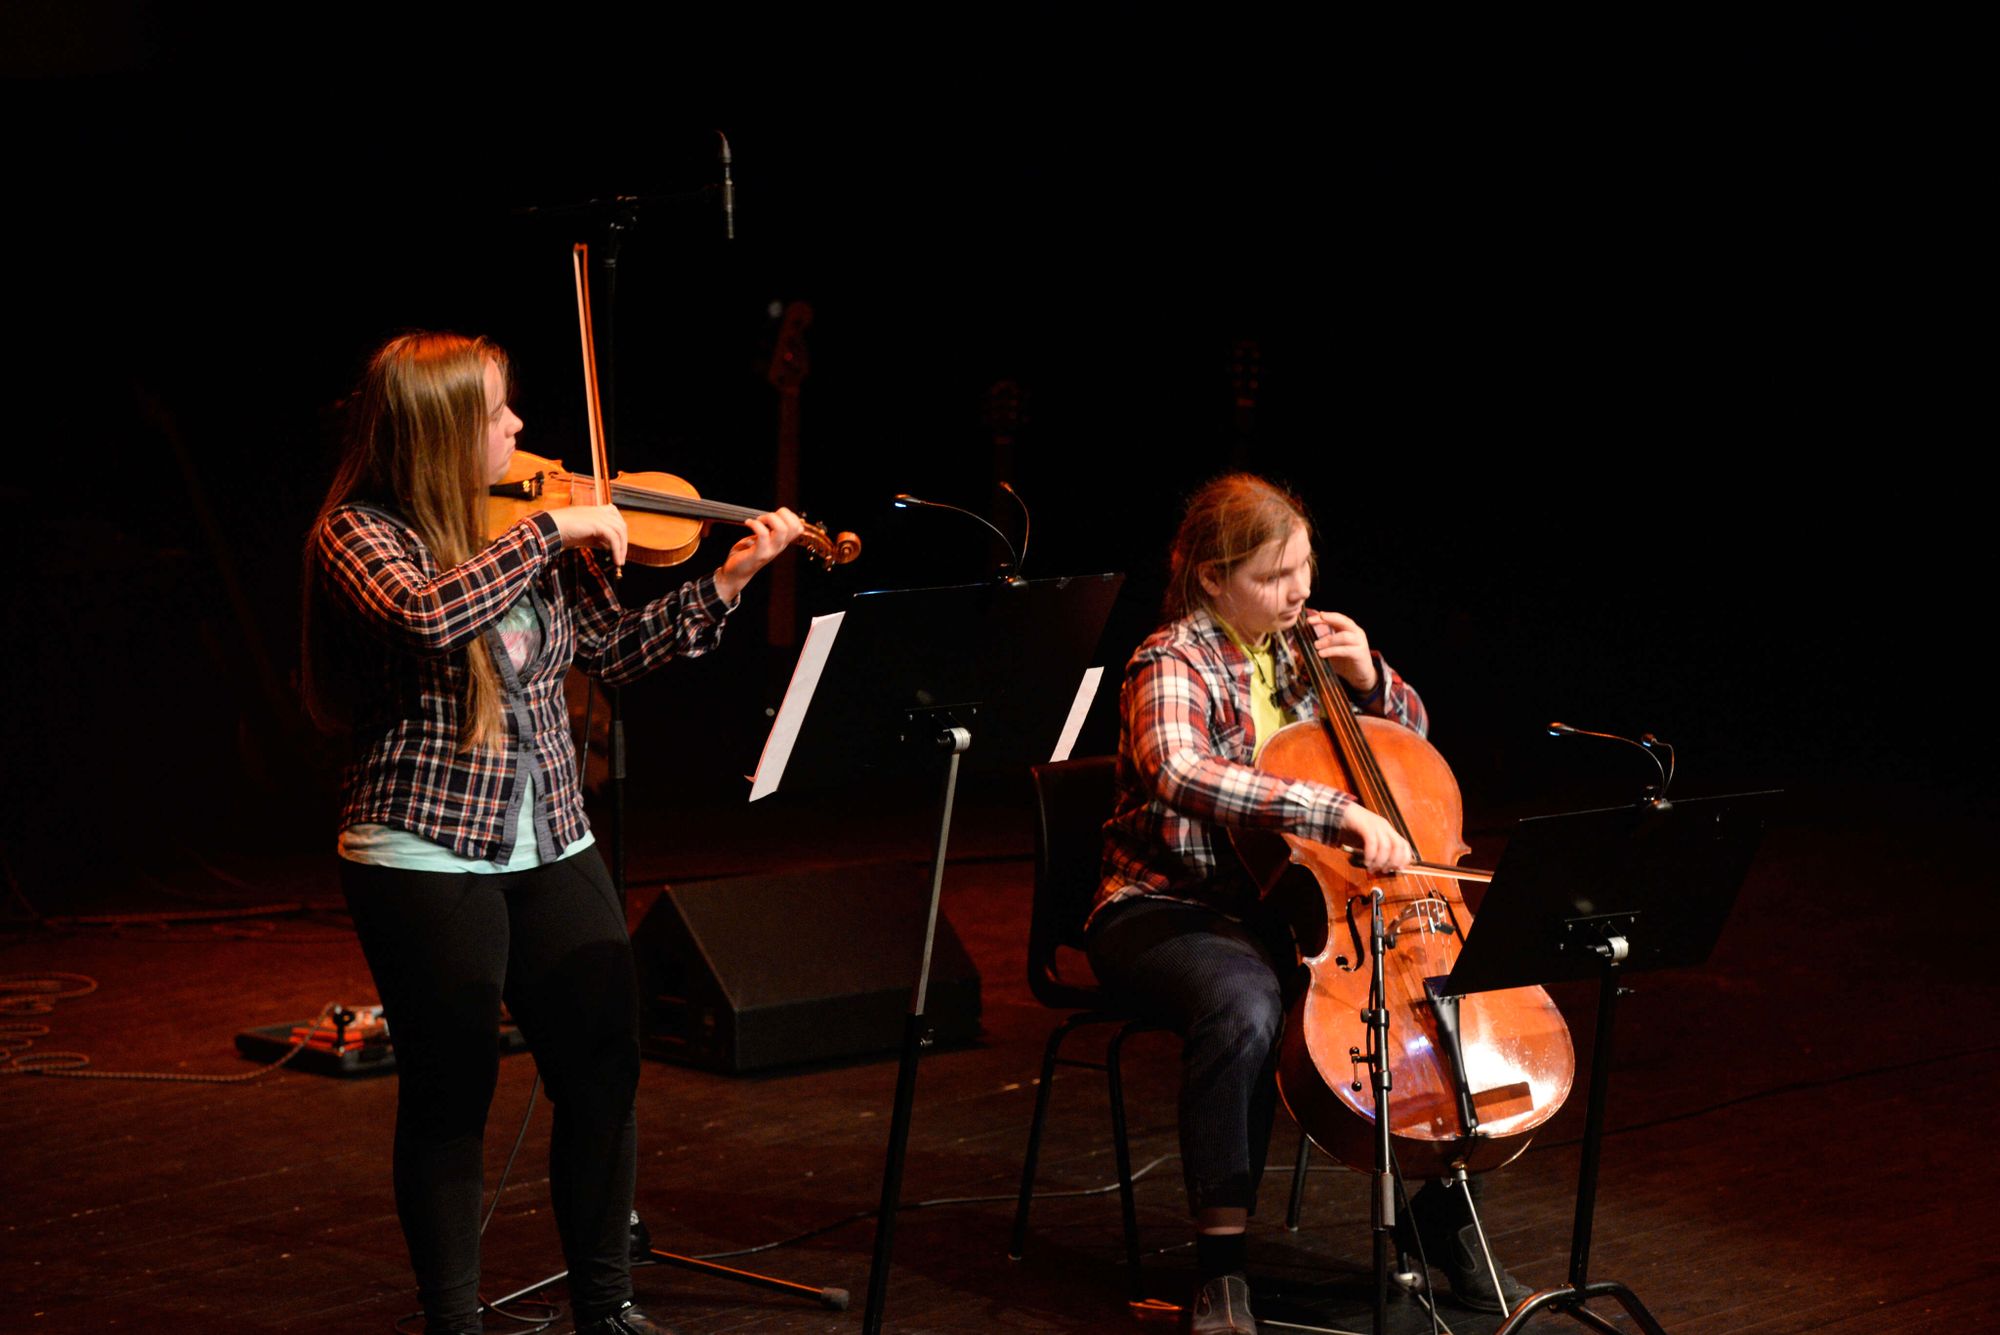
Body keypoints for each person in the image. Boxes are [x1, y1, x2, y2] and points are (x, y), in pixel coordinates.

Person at [302, 331, 802, 1335]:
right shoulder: (361, 533)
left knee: (602, 1066)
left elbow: (610, 650)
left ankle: (604, 1304)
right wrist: (550, 531)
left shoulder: (523, 529)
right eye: (498, 413)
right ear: (444, 429)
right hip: (425, 848)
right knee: (453, 1092)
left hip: (555, 836)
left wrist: (728, 584)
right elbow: (424, 618)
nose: (522, 431)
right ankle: (455, 1320)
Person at [1088, 473, 1528, 1333]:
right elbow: (1180, 771)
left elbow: (1403, 757)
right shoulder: (1168, 660)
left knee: (1406, 1001)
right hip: (1168, 905)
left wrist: (1372, 682)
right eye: (1272, 577)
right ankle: (1222, 1267)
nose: (1296, 593)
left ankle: (1442, 1217)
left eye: (1302, 570)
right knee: (1246, 1007)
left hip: (1293, 905)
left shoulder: (1303, 652)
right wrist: (1332, 810)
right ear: (1213, 579)